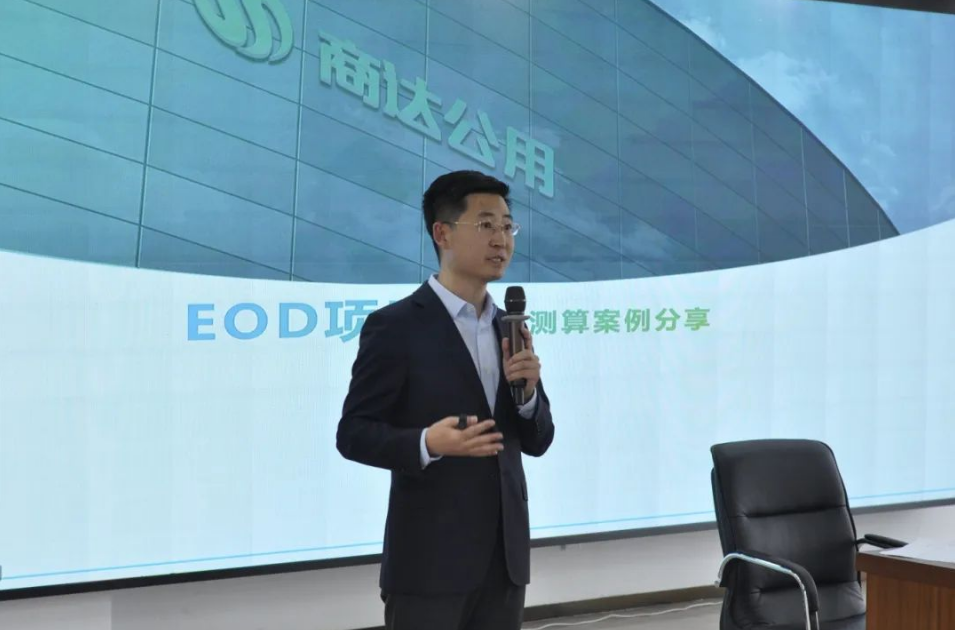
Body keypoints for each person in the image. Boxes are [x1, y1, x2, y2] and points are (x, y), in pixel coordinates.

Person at [337, 170, 555, 629]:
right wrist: (427, 443)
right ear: (443, 233)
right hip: (429, 563)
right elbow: (353, 433)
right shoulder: (396, 326)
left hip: (505, 562)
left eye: (507, 226)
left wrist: (529, 396)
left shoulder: (509, 326)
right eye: (486, 224)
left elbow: (538, 441)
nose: (501, 240)